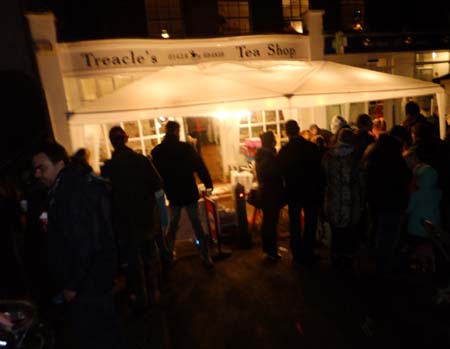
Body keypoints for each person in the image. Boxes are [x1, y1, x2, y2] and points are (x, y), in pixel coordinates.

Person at [32, 141, 124, 349]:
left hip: (87, 283)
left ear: (60, 164)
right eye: (35, 169)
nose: (37, 174)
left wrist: (72, 284)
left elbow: (83, 242)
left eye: (42, 167)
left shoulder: (69, 191)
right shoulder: (71, 185)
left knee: (98, 337)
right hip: (94, 278)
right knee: (107, 334)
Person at [101, 126, 164, 310]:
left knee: (133, 261)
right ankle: (154, 293)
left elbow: (105, 196)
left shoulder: (109, 168)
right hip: (144, 216)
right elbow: (158, 183)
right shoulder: (141, 160)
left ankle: (141, 295)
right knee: (149, 257)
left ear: (112, 142)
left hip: (123, 221)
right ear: (126, 139)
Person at [151, 121, 214, 269]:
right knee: (196, 224)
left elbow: (155, 175)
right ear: (177, 131)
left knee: (173, 225)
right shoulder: (185, 148)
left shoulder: (158, 152)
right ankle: (205, 256)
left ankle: (168, 255)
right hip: (188, 191)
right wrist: (208, 182)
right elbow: (199, 165)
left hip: (173, 193)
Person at [278, 120, 322, 265]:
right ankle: (308, 251)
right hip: (310, 190)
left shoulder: (284, 151)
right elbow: (318, 169)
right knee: (310, 221)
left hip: (293, 191)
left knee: (295, 223)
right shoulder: (310, 146)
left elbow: (281, 173)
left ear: (286, 132)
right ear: (298, 130)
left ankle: (297, 254)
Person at [322, 128, 360, 267]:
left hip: (333, 199)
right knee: (348, 231)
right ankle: (347, 255)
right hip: (350, 201)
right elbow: (357, 180)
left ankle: (336, 255)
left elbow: (324, 177)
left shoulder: (328, 157)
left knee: (336, 231)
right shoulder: (353, 159)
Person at [255, 131, 284, 261]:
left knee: (268, 221)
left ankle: (268, 249)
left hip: (266, 192)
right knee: (271, 222)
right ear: (272, 141)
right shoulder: (270, 157)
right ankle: (272, 251)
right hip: (271, 193)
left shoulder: (262, 155)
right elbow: (274, 175)